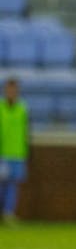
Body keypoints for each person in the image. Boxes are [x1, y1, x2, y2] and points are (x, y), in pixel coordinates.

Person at [0, 78, 30, 225]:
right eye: (9, 89)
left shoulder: (22, 108)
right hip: (2, 153)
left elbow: (26, 131)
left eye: (14, 89)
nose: (11, 92)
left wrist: (27, 151)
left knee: (13, 185)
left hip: (18, 153)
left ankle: (8, 213)